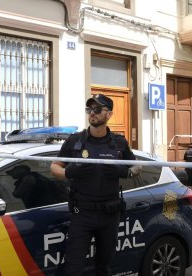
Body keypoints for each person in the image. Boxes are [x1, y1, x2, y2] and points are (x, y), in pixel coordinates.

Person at [51, 94, 140, 276]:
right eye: (89, 109)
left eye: (97, 109)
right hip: (82, 214)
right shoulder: (74, 141)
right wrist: (69, 172)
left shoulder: (119, 143)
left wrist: (125, 172)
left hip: (109, 215)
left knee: (104, 267)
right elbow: (54, 167)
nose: (92, 113)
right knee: (73, 268)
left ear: (109, 114)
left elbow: (137, 165)